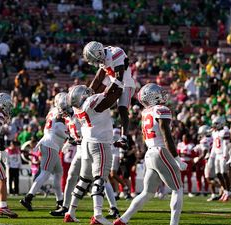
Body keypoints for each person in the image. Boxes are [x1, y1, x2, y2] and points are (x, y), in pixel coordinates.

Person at [114, 83, 186, 225]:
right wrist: (177, 158)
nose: (161, 93)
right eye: (157, 91)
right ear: (151, 96)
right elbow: (166, 136)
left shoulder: (146, 112)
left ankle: (123, 219)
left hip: (150, 153)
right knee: (178, 188)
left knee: (147, 192)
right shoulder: (161, 109)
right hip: (160, 151)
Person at [64, 82, 122, 224]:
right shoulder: (91, 103)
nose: (89, 93)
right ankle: (97, 214)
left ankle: (70, 212)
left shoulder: (77, 108)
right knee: (100, 178)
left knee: (84, 179)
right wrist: (118, 81)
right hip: (99, 143)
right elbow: (112, 96)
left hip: (87, 143)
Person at [20, 92, 70, 211]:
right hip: (50, 145)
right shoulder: (59, 113)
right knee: (45, 173)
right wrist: (69, 136)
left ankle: (60, 201)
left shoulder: (52, 110)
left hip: (52, 145)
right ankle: (28, 198)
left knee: (58, 173)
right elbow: (57, 126)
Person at [83, 41, 136, 150]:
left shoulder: (116, 53)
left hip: (125, 82)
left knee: (122, 108)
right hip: (112, 79)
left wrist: (105, 93)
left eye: (95, 60)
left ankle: (124, 138)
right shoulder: (104, 54)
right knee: (92, 97)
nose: (96, 62)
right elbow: (98, 78)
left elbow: (119, 79)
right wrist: (87, 93)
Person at [211, 116, 231, 202]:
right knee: (218, 173)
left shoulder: (225, 132)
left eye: (216, 123)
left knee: (224, 173)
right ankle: (225, 191)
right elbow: (214, 145)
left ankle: (228, 192)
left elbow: (226, 145)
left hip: (223, 155)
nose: (215, 125)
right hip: (217, 154)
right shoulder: (215, 132)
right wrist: (212, 155)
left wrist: (225, 155)